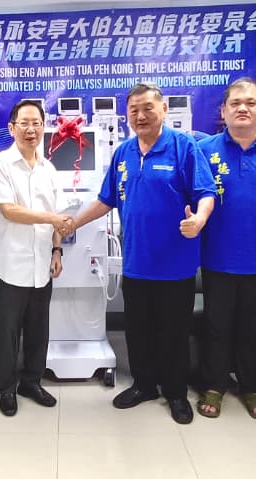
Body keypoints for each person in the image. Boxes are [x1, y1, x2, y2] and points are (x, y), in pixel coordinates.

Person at [72, 82, 216, 424]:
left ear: (163, 109)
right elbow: (106, 200)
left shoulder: (183, 146)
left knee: (174, 332)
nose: (140, 116)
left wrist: (199, 219)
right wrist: (72, 223)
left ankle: (176, 393)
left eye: (147, 108)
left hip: (175, 264)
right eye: (134, 110)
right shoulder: (124, 152)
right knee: (138, 331)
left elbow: (206, 192)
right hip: (136, 262)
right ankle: (144, 385)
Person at [194, 78, 256, 419]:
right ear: (223, 110)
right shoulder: (204, 150)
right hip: (216, 258)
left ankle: (252, 387)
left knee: (253, 328)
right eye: (235, 103)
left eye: (251, 103)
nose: (243, 108)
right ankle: (214, 385)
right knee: (217, 326)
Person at [0, 100, 69, 416]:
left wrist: (57, 250)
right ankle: (6, 388)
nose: (31, 129)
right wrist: (52, 219)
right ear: (12, 128)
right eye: (24, 123)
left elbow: (58, 216)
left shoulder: (49, 169)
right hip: (7, 265)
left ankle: (31, 382)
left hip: (41, 265)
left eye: (37, 123)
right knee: (6, 332)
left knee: (38, 329)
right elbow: (9, 210)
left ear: (44, 127)